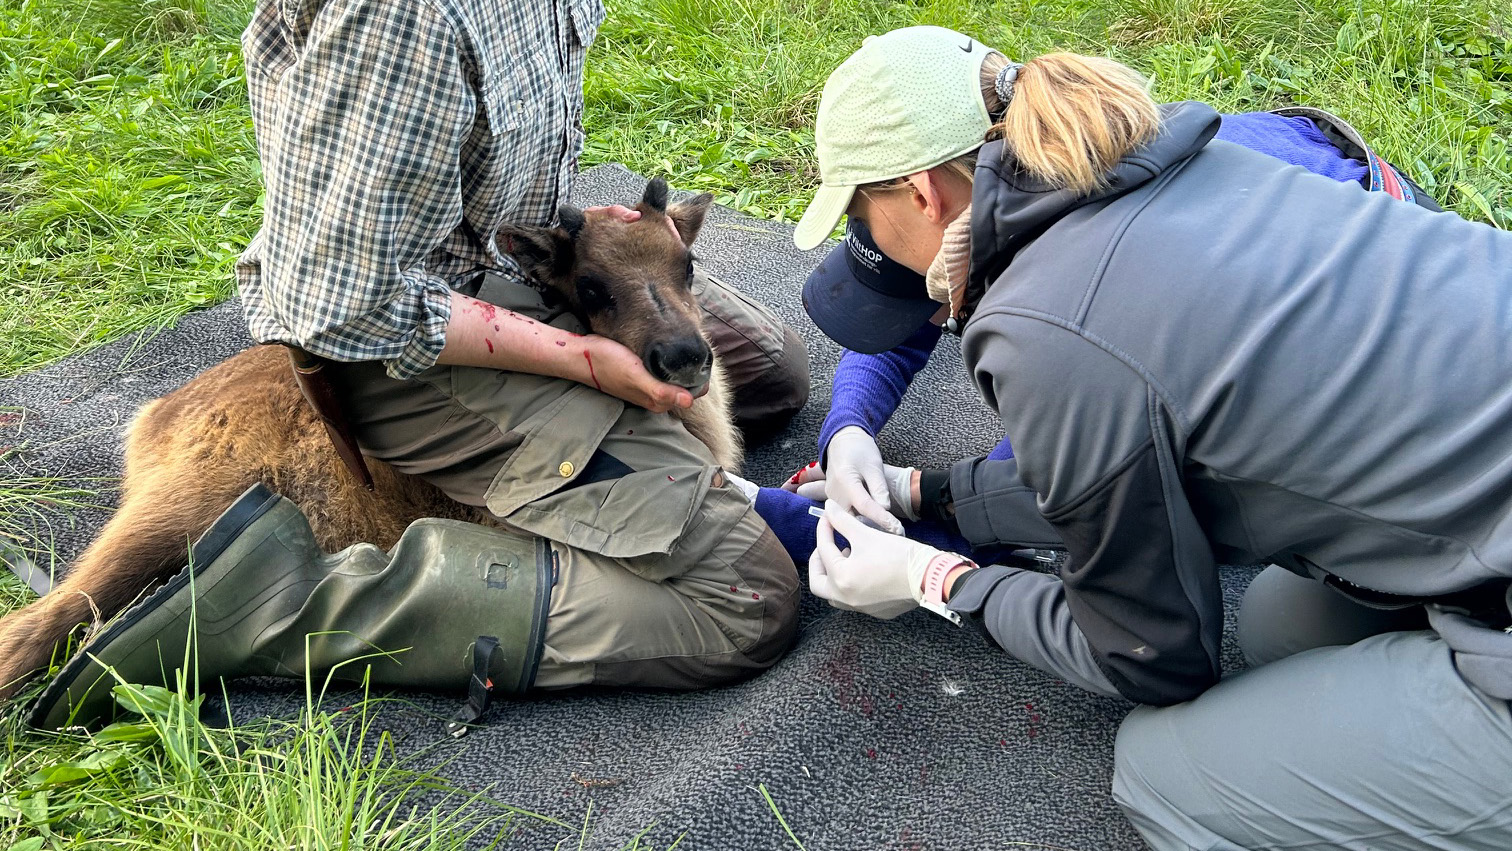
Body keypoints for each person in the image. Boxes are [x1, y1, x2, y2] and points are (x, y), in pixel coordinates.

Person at [792, 25, 1512, 851]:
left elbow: (1150, 656)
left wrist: (935, 578)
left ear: (922, 194)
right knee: (1281, 624)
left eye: (861, 214)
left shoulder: (1046, 324)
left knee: (1165, 771)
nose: (867, 238)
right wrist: (925, 491)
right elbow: (1135, 463)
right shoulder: (1184, 158)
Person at [32, 0, 810, 730]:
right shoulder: (408, 17)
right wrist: (579, 357)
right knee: (748, 596)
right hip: (392, 340)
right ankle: (276, 603)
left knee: (773, 372)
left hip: (497, 267)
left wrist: (583, 244)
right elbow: (338, 304)